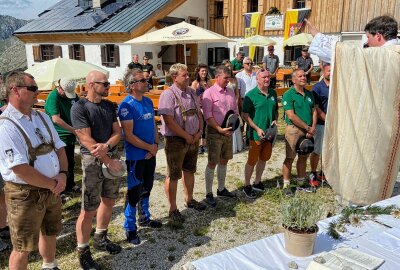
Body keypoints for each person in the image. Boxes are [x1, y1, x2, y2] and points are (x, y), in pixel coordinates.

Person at [0, 71, 68, 270]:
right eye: (32, 88)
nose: (38, 92)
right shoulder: (6, 125)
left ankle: (49, 265)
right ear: (15, 91)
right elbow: (20, 168)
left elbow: (59, 147)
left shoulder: (41, 116)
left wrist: (63, 175)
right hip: (24, 194)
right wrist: (54, 184)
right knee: (22, 246)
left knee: (50, 231)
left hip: (52, 188)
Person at [71, 70, 123, 270]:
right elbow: (85, 138)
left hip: (108, 155)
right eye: (105, 84)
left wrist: (107, 148)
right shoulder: (79, 107)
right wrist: (108, 159)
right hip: (92, 161)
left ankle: (100, 237)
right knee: (88, 208)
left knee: (109, 200)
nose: (109, 86)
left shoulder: (109, 105)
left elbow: (117, 132)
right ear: (92, 84)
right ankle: (83, 251)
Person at [118, 69, 162, 246]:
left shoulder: (148, 101)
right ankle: (129, 227)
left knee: (148, 186)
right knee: (134, 191)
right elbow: (128, 135)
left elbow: (153, 125)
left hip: (150, 152)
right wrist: (149, 147)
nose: (147, 82)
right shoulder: (126, 106)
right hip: (136, 156)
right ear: (133, 85)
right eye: (142, 80)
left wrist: (156, 145)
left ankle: (144, 217)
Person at [158, 63, 206, 223]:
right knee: (173, 175)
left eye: (187, 74)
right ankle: (173, 208)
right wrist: (186, 135)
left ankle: (189, 199)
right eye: (184, 75)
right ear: (174, 77)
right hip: (176, 140)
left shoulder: (191, 92)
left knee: (190, 170)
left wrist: (199, 132)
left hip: (193, 138)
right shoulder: (168, 95)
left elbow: (199, 113)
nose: (188, 77)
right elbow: (169, 121)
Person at [202, 65, 238, 207]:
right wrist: (219, 129)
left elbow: (234, 110)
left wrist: (233, 128)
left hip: (227, 131)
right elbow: (207, 115)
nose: (228, 80)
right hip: (214, 132)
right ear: (217, 77)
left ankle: (221, 189)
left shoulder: (230, 91)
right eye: (225, 78)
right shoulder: (208, 93)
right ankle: (208, 193)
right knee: (212, 162)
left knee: (224, 160)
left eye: (229, 77)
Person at [242, 69, 278, 198]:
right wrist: (257, 128)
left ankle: (257, 182)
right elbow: (245, 115)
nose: (267, 79)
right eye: (264, 77)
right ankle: (246, 185)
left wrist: (275, 119)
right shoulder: (250, 95)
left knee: (263, 159)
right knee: (252, 161)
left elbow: (275, 111)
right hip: (255, 135)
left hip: (269, 134)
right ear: (257, 79)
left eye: (268, 77)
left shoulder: (273, 93)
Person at [281, 69, 317, 196]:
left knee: (304, 156)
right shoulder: (288, 94)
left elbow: (314, 111)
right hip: (294, 130)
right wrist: (307, 128)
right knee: (290, 158)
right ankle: (286, 185)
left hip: (308, 130)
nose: (304, 77)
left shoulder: (309, 94)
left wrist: (312, 127)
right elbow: (291, 115)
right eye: (300, 76)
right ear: (294, 79)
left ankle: (301, 182)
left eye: (304, 75)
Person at [44, 78, 80, 196]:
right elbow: (56, 119)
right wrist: (73, 130)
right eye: (65, 93)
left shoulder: (73, 95)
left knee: (71, 161)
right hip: (60, 135)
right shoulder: (53, 97)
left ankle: (70, 184)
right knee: (61, 164)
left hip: (70, 135)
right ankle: (61, 190)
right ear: (60, 88)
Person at [309, 63, 330, 187]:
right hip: (322, 124)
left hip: (334, 124)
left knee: (329, 150)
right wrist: (327, 119)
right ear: (323, 72)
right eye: (328, 71)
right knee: (317, 150)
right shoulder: (317, 88)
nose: (331, 73)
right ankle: (313, 172)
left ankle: (324, 172)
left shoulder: (336, 86)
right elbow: (316, 108)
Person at [222, 59, 243, 153]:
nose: (229, 68)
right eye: (227, 66)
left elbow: (237, 93)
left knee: (235, 121)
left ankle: (238, 145)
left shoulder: (234, 79)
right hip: (226, 103)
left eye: (230, 66)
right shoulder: (222, 79)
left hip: (234, 102)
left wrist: (236, 102)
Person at [191, 63, 212, 154]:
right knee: (200, 126)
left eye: (205, 71)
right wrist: (199, 107)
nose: (204, 72)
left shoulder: (209, 82)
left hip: (207, 107)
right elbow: (192, 96)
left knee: (207, 126)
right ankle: (199, 145)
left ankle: (205, 143)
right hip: (198, 108)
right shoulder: (195, 83)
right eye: (202, 71)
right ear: (198, 72)